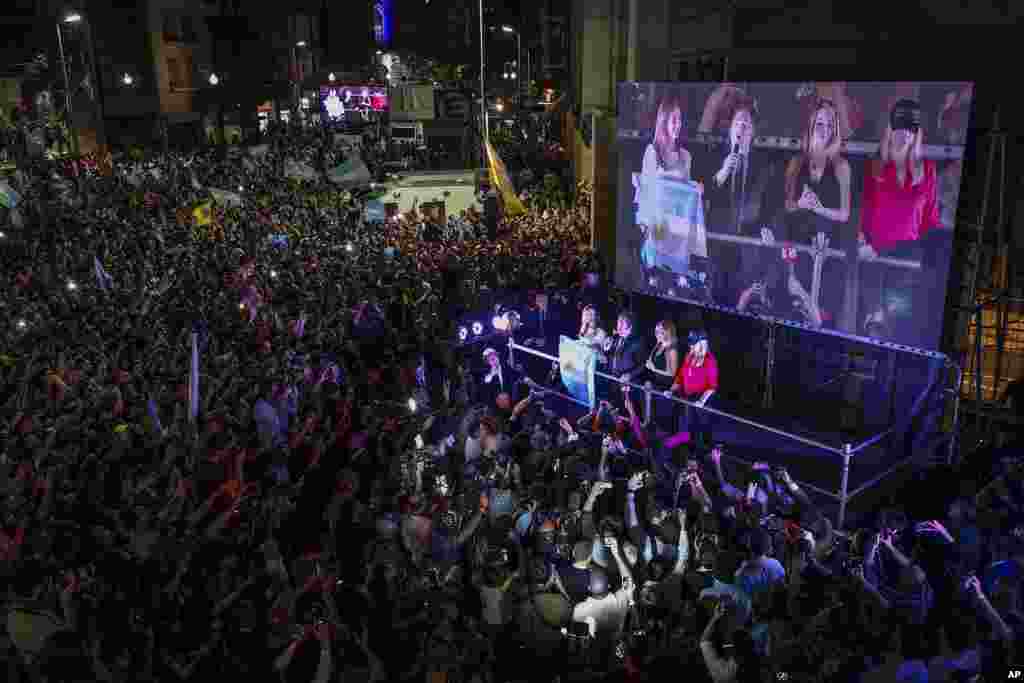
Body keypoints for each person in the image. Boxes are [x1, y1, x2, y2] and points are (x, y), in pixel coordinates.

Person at [858, 98, 941, 344]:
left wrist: (926, 260)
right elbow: (863, 210)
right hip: (874, 256)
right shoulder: (875, 166)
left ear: (916, 133)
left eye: (910, 127)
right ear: (890, 129)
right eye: (898, 125)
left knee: (898, 327)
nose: (903, 132)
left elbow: (930, 219)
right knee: (873, 326)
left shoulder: (927, 169)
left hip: (907, 260)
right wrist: (863, 243)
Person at [782, 98, 852, 326]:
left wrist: (820, 209)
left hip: (827, 245)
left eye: (830, 125)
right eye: (820, 124)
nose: (825, 129)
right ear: (811, 126)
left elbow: (844, 214)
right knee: (796, 311)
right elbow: (787, 207)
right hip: (800, 242)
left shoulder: (841, 166)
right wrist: (802, 204)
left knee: (822, 318)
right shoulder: (796, 162)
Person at [667, 330, 718, 454]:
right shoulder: (689, 356)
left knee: (703, 428)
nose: (691, 346)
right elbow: (680, 376)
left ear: (702, 343)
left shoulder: (709, 360)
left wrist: (701, 401)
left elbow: (712, 386)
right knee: (689, 425)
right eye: (690, 343)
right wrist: (671, 390)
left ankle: (708, 453)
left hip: (703, 400)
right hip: (689, 398)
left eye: (693, 343)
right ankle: (690, 453)